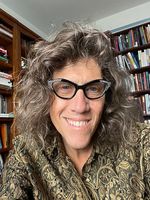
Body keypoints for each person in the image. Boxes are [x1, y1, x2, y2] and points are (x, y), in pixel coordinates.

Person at [0, 22, 149, 200]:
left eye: (93, 88)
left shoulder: (142, 144)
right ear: (44, 95)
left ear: (107, 96)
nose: (80, 106)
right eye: (64, 87)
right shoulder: (25, 152)